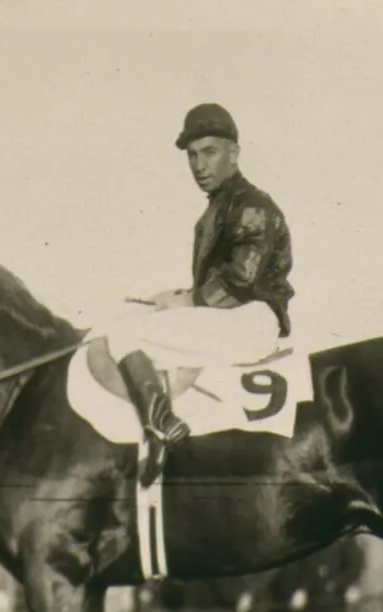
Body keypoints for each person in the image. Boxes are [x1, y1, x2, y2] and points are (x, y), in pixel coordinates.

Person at [91, 102, 294, 486]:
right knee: (136, 320)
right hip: (236, 316)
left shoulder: (251, 204)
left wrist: (184, 302)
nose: (199, 165)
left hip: (249, 319)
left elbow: (240, 281)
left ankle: (162, 425)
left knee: (123, 334)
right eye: (192, 155)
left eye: (210, 152)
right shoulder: (222, 206)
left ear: (234, 153)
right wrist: (179, 294)